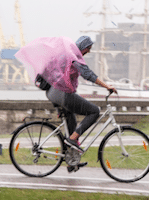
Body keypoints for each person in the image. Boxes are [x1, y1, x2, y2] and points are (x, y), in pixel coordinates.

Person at [45, 36, 117, 172]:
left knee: (71, 122)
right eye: (88, 48)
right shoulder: (74, 57)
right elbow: (87, 74)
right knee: (94, 111)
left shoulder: (66, 54)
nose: (88, 52)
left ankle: (72, 162)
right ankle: (72, 140)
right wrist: (106, 86)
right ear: (83, 47)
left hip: (54, 93)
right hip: (62, 94)